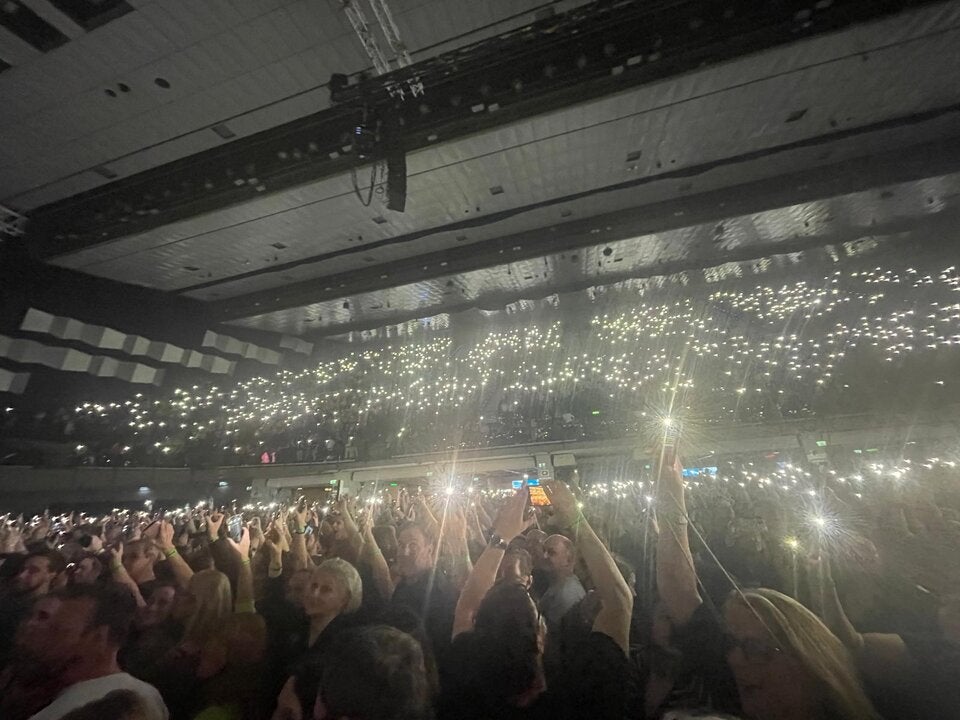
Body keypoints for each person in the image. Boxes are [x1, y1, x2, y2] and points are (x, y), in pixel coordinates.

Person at [654, 451, 878, 720]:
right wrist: (671, 496)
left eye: (755, 649)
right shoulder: (736, 687)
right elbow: (677, 587)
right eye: (731, 644)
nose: (735, 658)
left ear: (808, 658)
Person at [442, 482, 633, 720]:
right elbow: (619, 601)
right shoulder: (581, 695)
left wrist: (500, 538)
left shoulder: (466, 690)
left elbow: (466, 606)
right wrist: (575, 518)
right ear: (541, 635)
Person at [16, 583, 168, 720]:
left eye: (58, 630)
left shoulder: (115, 707)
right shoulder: (146, 695)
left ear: (98, 637)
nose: (46, 638)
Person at [0, 549, 66, 667]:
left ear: (51, 574)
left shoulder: (41, 613)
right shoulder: (8, 593)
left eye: (33, 570)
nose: (22, 575)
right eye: (23, 569)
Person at [539, 534, 585, 631]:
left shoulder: (568, 594)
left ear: (568, 560)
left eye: (551, 552)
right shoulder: (557, 586)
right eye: (544, 551)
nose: (544, 556)